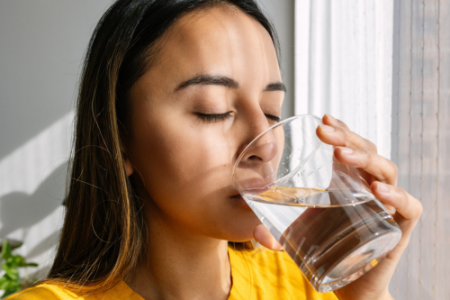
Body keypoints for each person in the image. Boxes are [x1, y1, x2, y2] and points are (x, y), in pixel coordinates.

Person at [6, 0, 422, 299]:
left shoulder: (302, 285)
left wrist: (368, 297)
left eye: (272, 112)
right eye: (214, 111)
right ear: (121, 139)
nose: (267, 142)